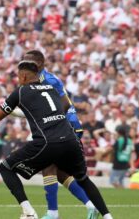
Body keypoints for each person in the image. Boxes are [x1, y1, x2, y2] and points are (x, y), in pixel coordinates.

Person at [0, 60, 113, 219]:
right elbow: (64, 105)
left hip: (47, 142)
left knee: (6, 167)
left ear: (23, 76)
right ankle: (107, 216)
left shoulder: (20, 92)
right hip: (70, 140)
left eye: (18, 76)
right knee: (82, 179)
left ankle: (29, 212)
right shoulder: (52, 88)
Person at [23, 50, 97, 219]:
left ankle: (52, 213)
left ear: (40, 64)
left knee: (48, 166)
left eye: (29, 62)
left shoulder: (47, 80)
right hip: (64, 126)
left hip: (66, 126)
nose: (25, 66)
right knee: (60, 173)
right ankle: (91, 205)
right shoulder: (39, 80)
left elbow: (58, 107)